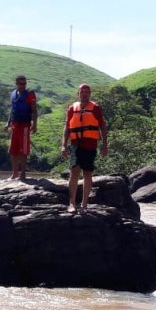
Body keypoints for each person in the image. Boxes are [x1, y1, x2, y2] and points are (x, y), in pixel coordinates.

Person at [61, 83, 108, 213]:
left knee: (87, 173)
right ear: (78, 93)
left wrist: (105, 145)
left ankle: (84, 204)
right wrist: (63, 145)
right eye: (82, 91)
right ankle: (71, 203)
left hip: (90, 144)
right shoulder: (72, 108)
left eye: (87, 91)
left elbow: (102, 127)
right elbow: (67, 128)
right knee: (74, 170)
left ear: (90, 94)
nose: (84, 93)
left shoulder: (96, 108)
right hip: (75, 144)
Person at [4, 75, 38, 180]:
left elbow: (35, 111)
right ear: (16, 84)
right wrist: (7, 123)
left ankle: (23, 174)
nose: (23, 86)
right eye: (21, 84)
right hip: (15, 125)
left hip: (25, 126)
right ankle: (15, 173)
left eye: (25, 83)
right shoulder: (13, 94)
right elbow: (12, 110)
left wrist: (35, 125)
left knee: (23, 150)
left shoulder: (30, 95)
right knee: (12, 150)